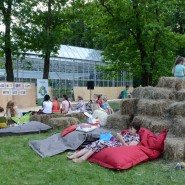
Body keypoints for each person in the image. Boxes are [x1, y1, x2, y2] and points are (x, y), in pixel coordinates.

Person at [67, 121, 141, 163]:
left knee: (101, 142)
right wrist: (115, 137)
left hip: (118, 147)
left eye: (132, 129)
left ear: (136, 130)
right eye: (129, 128)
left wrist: (121, 139)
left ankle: (83, 158)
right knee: (98, 141)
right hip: (115, 142)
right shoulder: (127, 133)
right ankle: (77, 155)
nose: (129, 130)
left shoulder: (136, 138)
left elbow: (128, 149)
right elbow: (116, 139)